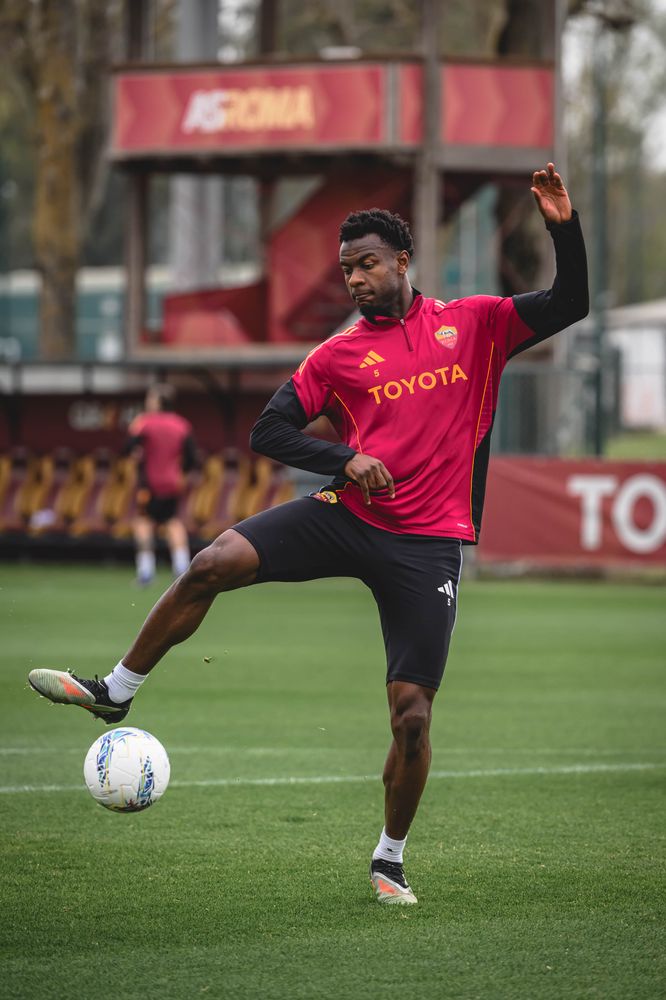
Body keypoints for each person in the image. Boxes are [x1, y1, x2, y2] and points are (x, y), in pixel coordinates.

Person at [29, 164, 588, 906]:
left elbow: (572, 302)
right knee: (212, 561)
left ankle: (389, 859)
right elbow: (271, 428)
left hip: (427, 545)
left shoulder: (477, 325)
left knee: (412, 719)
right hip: (348, 516)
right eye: (346, 269)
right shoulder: (338, 355)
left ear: (402, 261)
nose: (354, 280)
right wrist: (346, 459)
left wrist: (562, 225)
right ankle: (117, 690)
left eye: (367, 265)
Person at [125, 383, 197, 585]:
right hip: (173, 483)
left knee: (143, 522)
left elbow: (128, 447)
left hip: (149, 483)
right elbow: (192, 458)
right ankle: (182, 567)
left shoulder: (144, 422)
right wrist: (180, 472)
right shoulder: (182, 424)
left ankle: (146, 570)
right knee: (172, 521)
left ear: (156, 402)